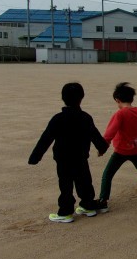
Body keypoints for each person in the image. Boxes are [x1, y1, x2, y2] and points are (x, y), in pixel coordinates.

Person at [28, 82, 109, 223]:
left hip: (63, 159)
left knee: (65, 185)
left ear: (63, 98)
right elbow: (95, 135)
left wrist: (35, 157)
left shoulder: (58, 119)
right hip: (81, 157)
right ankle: (88, 205)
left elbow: (45, 139)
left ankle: (66, 212)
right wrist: (102, 148)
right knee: (84, 181)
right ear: (81, 97)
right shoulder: (85, 117)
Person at [98, 82, 137, 214]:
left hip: (121, 150)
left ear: (117, 100)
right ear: (132, 98)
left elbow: (110, 132)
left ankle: (103, 201)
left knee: (108, 174)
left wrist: (103, 147)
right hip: (136, 148)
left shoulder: (120, 114)